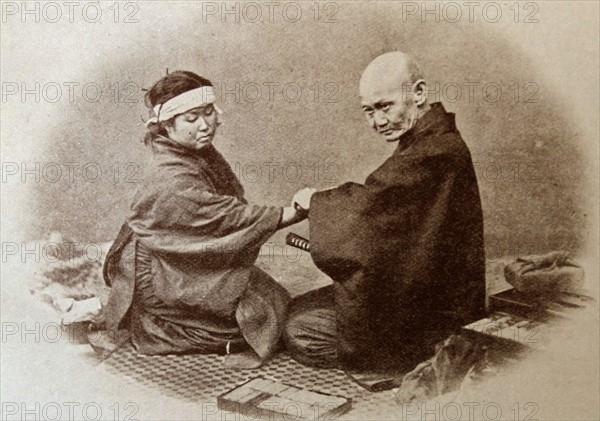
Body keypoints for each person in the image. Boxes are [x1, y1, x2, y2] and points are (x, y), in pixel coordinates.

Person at [74, 70, 311, 368]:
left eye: (209, 113)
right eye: (192, 118)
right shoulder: (168, 174)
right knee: (255, 322)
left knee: (272, 300)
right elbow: (220, 217)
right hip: (160, 270)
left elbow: (222, 210)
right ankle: (158, 324)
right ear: (167, 124)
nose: (205, 125)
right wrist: (294, 213)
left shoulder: (192, 153)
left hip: (179, 255)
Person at [284, 52, 486, 371]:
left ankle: (415, 360)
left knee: (299, 330)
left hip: (434, 315)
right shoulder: (430, 140)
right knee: (299, 307)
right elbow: (388, 213)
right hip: (419, 289)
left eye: (384, 106)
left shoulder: (438, 150)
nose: (378, 122)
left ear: (418, 93)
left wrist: (316, 201)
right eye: (369, 111)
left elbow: (371, 211)